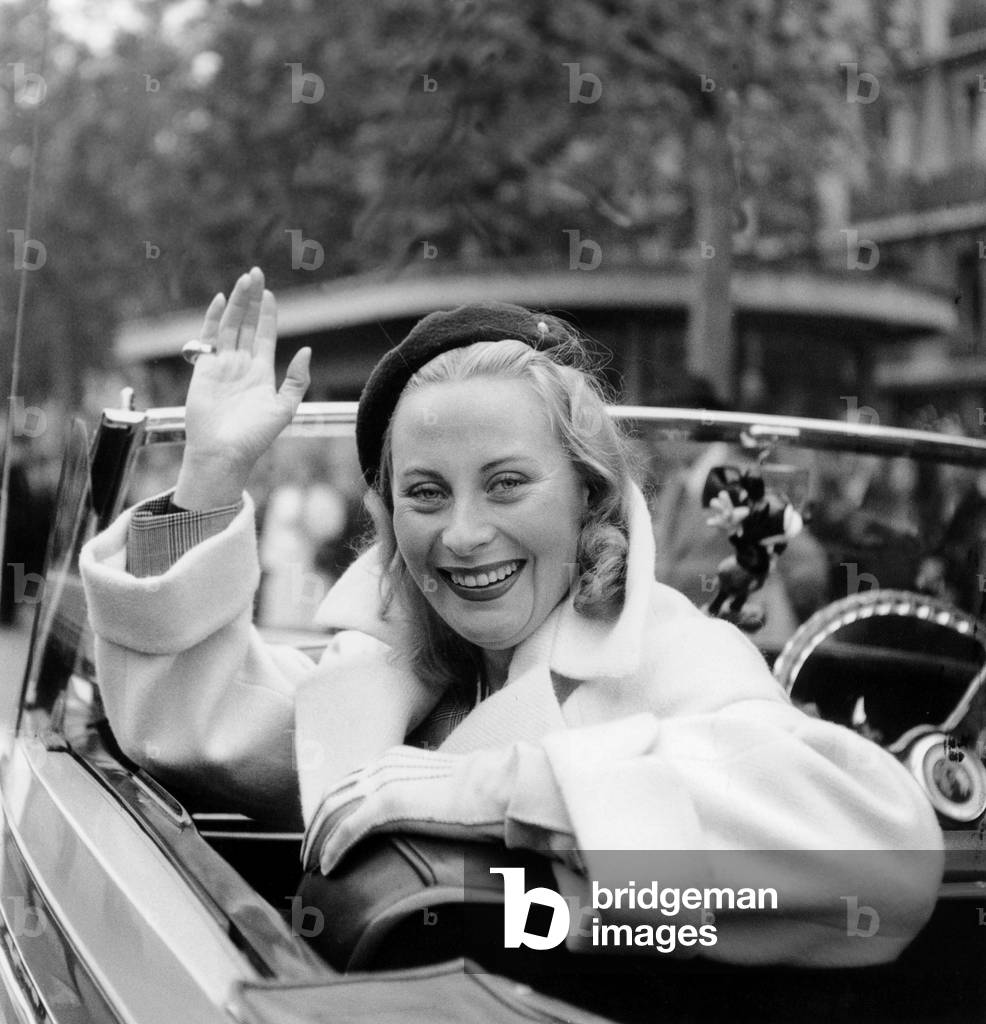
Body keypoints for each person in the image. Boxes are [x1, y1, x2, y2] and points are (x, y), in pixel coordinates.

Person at [81, 268, 944, 966]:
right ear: (387, 525)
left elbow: (885, 858)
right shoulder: (389, 672)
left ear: (588, 495)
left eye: (506, 483)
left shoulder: (675, 650)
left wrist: (494, 790)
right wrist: (210, 474)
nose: (461, 534)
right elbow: (193, 721)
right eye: (425, 493)